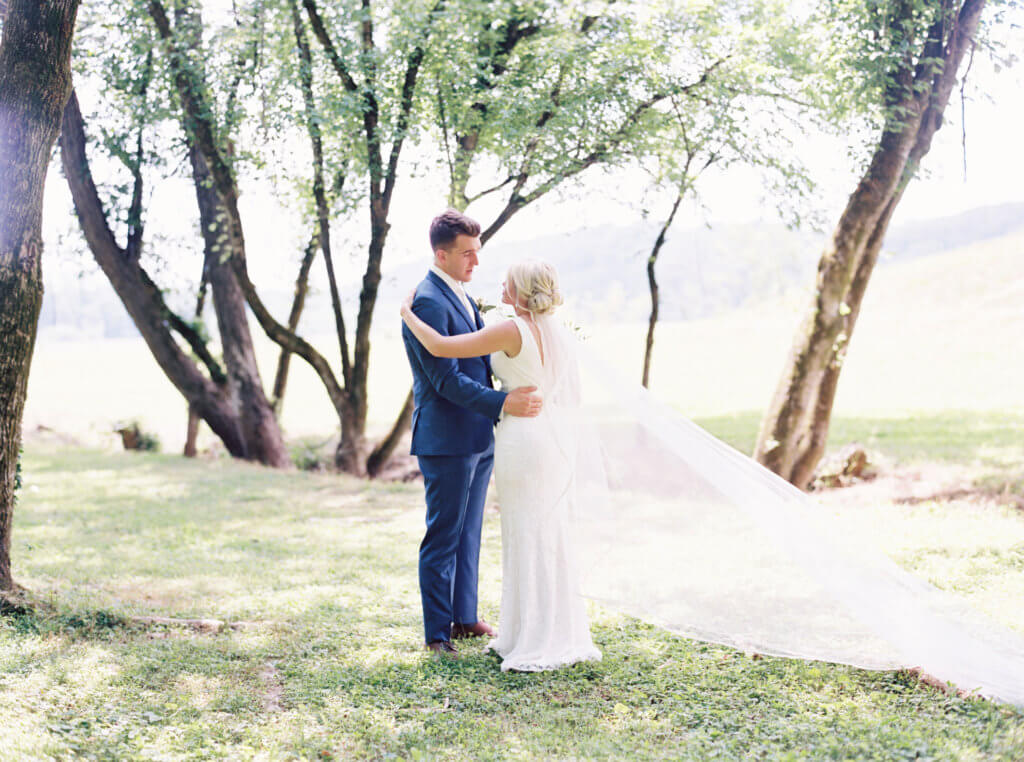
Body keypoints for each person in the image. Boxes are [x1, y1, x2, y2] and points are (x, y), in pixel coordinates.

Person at [402, 258, 602, 671]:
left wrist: (406, 313)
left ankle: (529, 635)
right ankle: (555, 628)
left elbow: (440, 347)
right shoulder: (557, 334)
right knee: (546, 532)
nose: (500, 284)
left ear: (523, 292)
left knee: (524, 533)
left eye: (508, 282)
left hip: (521, 439)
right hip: (546, 437)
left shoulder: (512, 328)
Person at [401, 210, 542, 660]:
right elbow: (444, 381)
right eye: (467, 254)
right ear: (441, 254)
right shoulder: (427, 301)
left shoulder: (458, 293)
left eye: (477, 252)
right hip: (446, 439)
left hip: (479, 435)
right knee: (443, 535)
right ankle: (437, 634)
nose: (475, 262)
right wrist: (504, 402)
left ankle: (465, 617)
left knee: (470, 532)